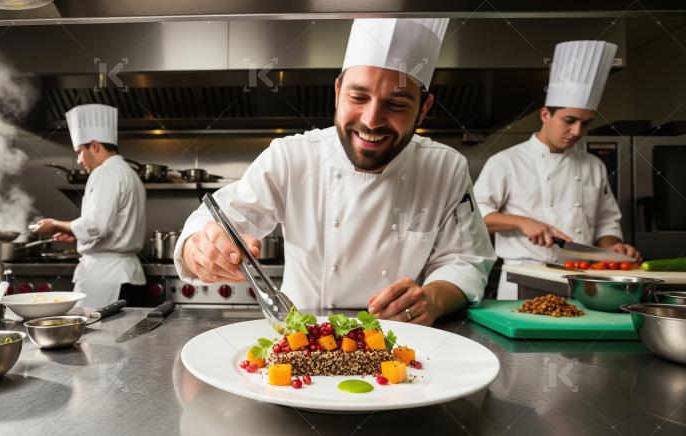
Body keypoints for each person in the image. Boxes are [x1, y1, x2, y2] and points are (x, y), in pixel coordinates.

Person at [174, 19, 495, 326]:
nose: (372, 120)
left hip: (402, 347)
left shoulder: (445, 168)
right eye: (358, 97)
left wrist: (433, 299)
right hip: (303, 343)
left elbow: (466, 260)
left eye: (396, 104)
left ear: (423, 109)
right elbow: (217, 220)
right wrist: (199, 249)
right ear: (338, 90)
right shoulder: (292, 156)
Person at [474, 40, 642, 299]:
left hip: (583, 279)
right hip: (524, 278)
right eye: (569, 121)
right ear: (545, 114)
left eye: (585, 124)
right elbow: (476, 216)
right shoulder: (506, 162)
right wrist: (523, 222)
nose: (577, 132)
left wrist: (614, 248)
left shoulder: (593, 165)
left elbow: (606, 223)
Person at [34, 104, 147, 308]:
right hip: (125, 275)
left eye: (79, 151)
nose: (78, 160)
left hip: (106, 278)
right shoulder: (129, 173)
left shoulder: (104, 172)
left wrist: (56, 225)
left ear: (94, 145)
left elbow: (97, 225)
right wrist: (75, 232)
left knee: (98, 337)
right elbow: (108, 225)